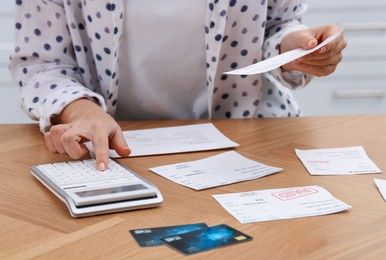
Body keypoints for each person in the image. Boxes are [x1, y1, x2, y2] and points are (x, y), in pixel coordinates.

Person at [10, 0, 346, 171]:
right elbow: (41, 63)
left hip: (248, 136)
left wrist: (293, 48)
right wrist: (80, 110)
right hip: (112, 151)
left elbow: (278, 23)